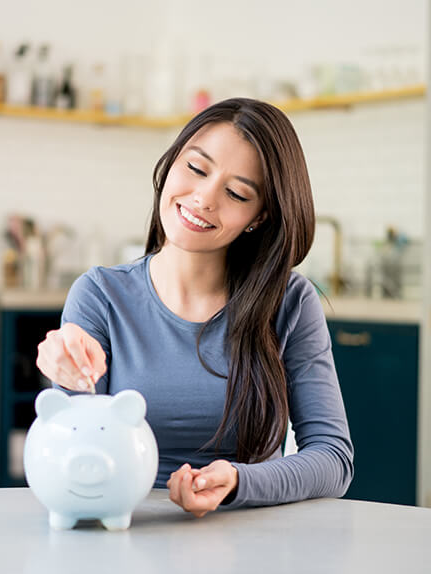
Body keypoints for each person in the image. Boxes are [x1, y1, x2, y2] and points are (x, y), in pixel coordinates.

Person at [36, 97, 353, 517]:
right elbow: (73, 448)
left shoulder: (290, 302)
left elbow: (334, 460)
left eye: (237, 193)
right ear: (171, 163)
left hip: (258, 535)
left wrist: (239, 482)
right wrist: (64, 371)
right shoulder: (100, 294)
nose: (204, 198)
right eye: (196, 168)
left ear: (259, 216)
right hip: (127, 525)